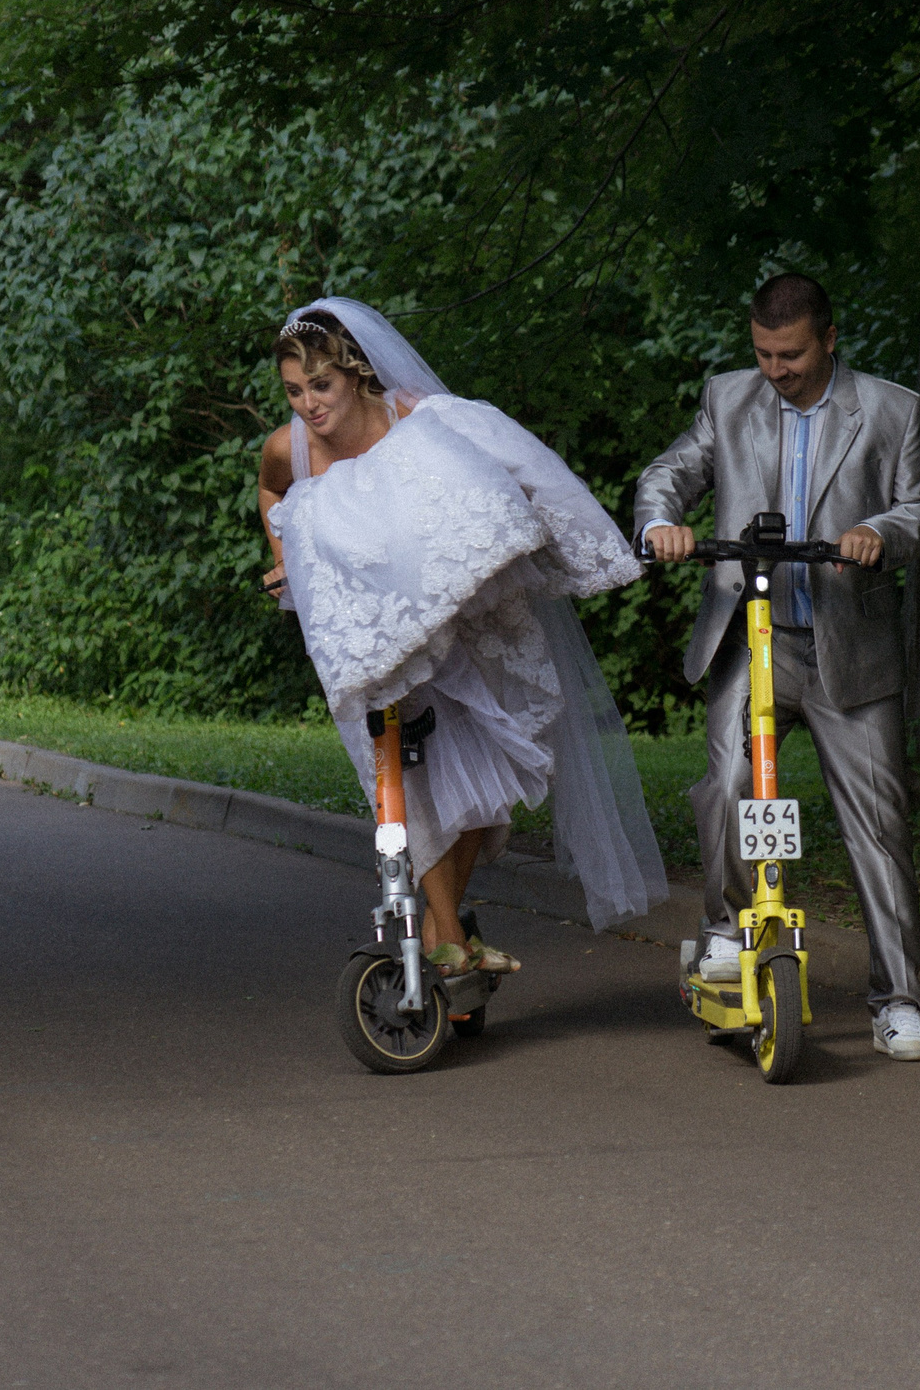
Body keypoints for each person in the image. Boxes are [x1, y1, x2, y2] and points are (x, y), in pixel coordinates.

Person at [256, 299, 666, 975]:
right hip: (374, 643)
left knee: (489, 774)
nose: (308, 406)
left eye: (320, 386)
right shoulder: (288, 446)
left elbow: (516, 474)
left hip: (464, 633)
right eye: (294, 391)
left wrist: (571, 543)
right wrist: (282, 554)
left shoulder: (420, 421)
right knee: (415, 784)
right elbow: (274, 494)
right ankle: (449, 934)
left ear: (356, 372)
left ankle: (451, 931)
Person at [634, 273, 920, 1059]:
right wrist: (661, 522)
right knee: (729, 784)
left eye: (793, 354)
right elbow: (667, 474)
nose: (777, 369)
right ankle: (725, 930)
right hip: (752, 636)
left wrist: (882, 530)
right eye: (765, 352)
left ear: (830, 339)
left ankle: (899, 1000)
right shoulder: (727, 398)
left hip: (850, 646)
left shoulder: (890, 410)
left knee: (879, 826)